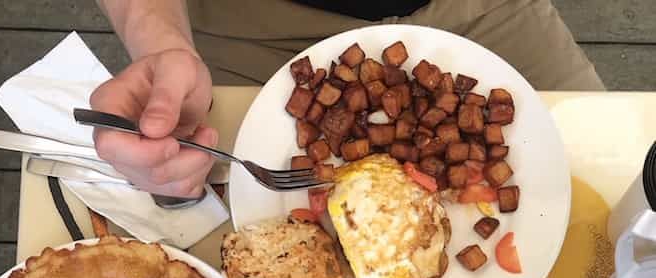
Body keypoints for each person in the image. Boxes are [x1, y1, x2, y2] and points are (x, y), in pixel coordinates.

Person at [90, 0, 602, 200]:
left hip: (487, 9)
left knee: (611, 190)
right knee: (198, 218)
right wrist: (161, 44)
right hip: (247, 19)